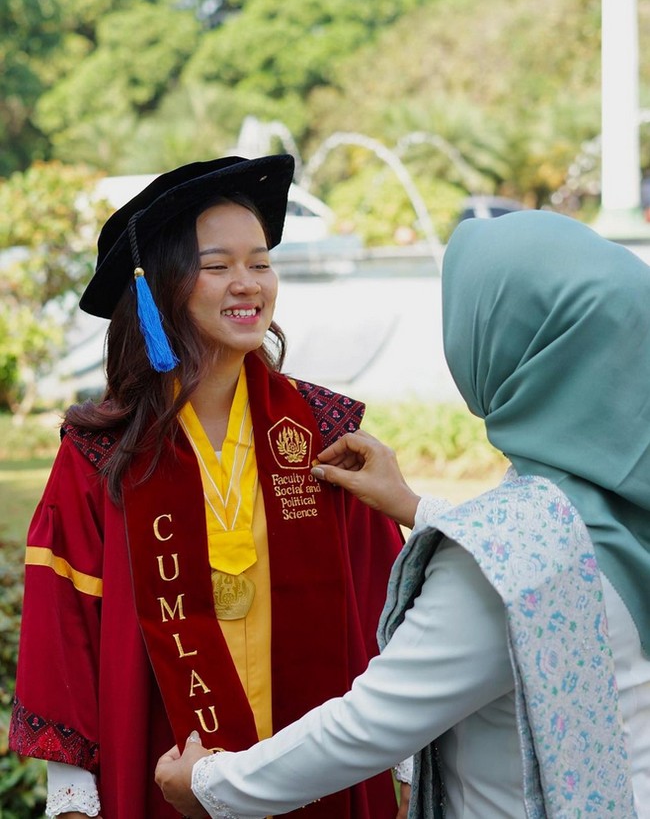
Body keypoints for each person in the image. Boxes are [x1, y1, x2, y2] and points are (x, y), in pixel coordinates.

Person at [154, 209, 650, 818]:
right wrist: (418, 508)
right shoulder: (621, 509)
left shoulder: (504, 560)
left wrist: (209, 785)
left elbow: (370, 725)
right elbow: (560, 567)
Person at [8, 154, 408, 819]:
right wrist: (71, 796)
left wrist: (408, 760)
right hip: (162, 766)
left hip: (317, 765)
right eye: (218, 265)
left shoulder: (322, 434)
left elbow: (382, 599)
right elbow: (63, 628)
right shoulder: (102, 453)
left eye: (261, 262)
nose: (247, 283)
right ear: (160, 287)